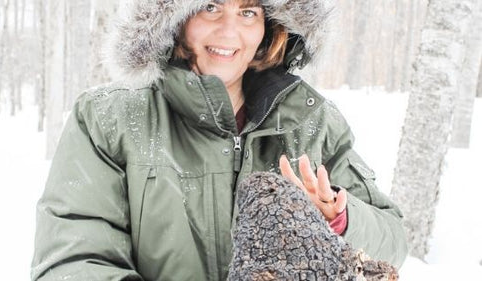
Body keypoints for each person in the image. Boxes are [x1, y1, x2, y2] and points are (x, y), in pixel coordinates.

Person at [31, 0, 408, 280]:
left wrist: (338, 219)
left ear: (270, 26)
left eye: (248, 12)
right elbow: (72, 261)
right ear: (175, 19)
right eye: (211, 7)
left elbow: (392, 240)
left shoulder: (310, 120)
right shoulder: (110, 120)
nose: (229, 32)